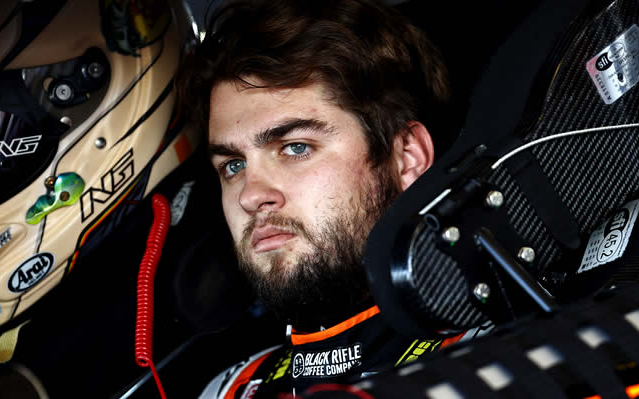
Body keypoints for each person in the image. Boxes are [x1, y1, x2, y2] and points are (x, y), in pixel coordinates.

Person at [176, 0, 466, 397]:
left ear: (407, 158)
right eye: (233, 166)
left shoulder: (525, 355)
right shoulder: (231, 390)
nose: (250, 195)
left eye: (295, 148)